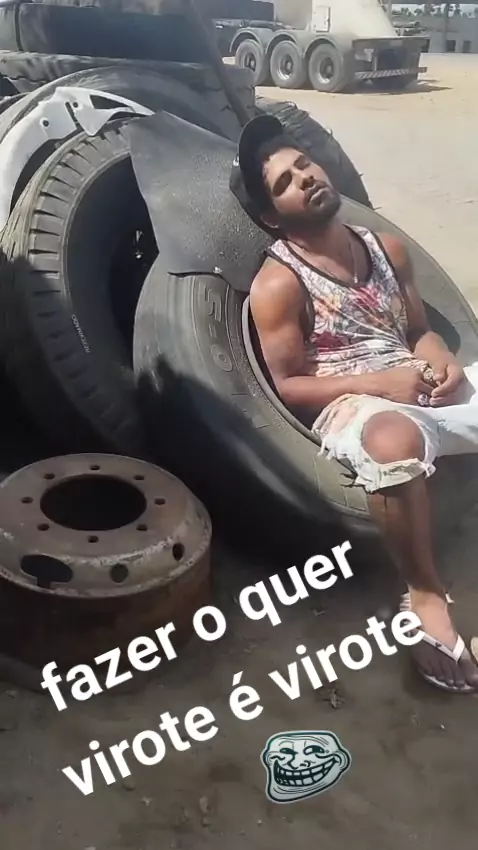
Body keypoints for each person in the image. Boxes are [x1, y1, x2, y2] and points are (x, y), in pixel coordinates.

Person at [229, 113, 478, 694]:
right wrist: (383, 386)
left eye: (304, 165)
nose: (305, 178)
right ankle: (424, 595)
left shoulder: (386, 248)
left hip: (418, 384)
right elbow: (287, 384)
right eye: (286, 182)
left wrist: (439, 357)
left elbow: (418, 330)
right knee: (393, 441)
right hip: (355, 404)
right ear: (272, 216)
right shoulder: (279, 283)